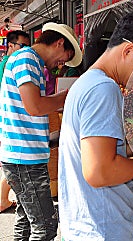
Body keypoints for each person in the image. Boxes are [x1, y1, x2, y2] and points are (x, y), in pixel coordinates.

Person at [58, 9, 133, 241]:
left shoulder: (86, 83)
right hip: (102, 230)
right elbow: (99, 172)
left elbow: (94, 152)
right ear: (129, 50)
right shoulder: (104, 90)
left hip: (86, 225)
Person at [0, 22, 82, 240]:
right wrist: (67, 96)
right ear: (59, 42)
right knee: (45, 227)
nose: (61, 63)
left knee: (27, 220)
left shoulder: (28, 60)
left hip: (23, 155)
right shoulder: (27, 59)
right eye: (65, 56)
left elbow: (27, 114)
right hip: (24, 159)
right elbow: (34, 107)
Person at [0, 30, 30, 213]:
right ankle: (3, 198)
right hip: (7, 118)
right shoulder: (9, 64)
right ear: (10, 45)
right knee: (12, 161)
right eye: (23, 46)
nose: (26, 50)